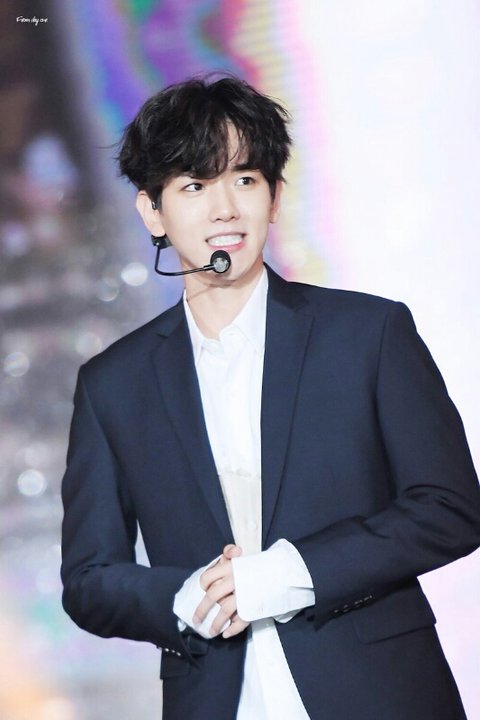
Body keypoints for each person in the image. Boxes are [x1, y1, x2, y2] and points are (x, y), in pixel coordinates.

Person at [61, 75, 480, 720]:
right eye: (194, 186)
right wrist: (186, 597)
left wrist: (287, 574)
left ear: (275, 196)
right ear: (152, 211)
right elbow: (89, 580)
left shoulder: (367, 333)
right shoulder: (114, 384)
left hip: (379, 693)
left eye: (245, 179)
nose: (224, 209)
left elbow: (450, 507)